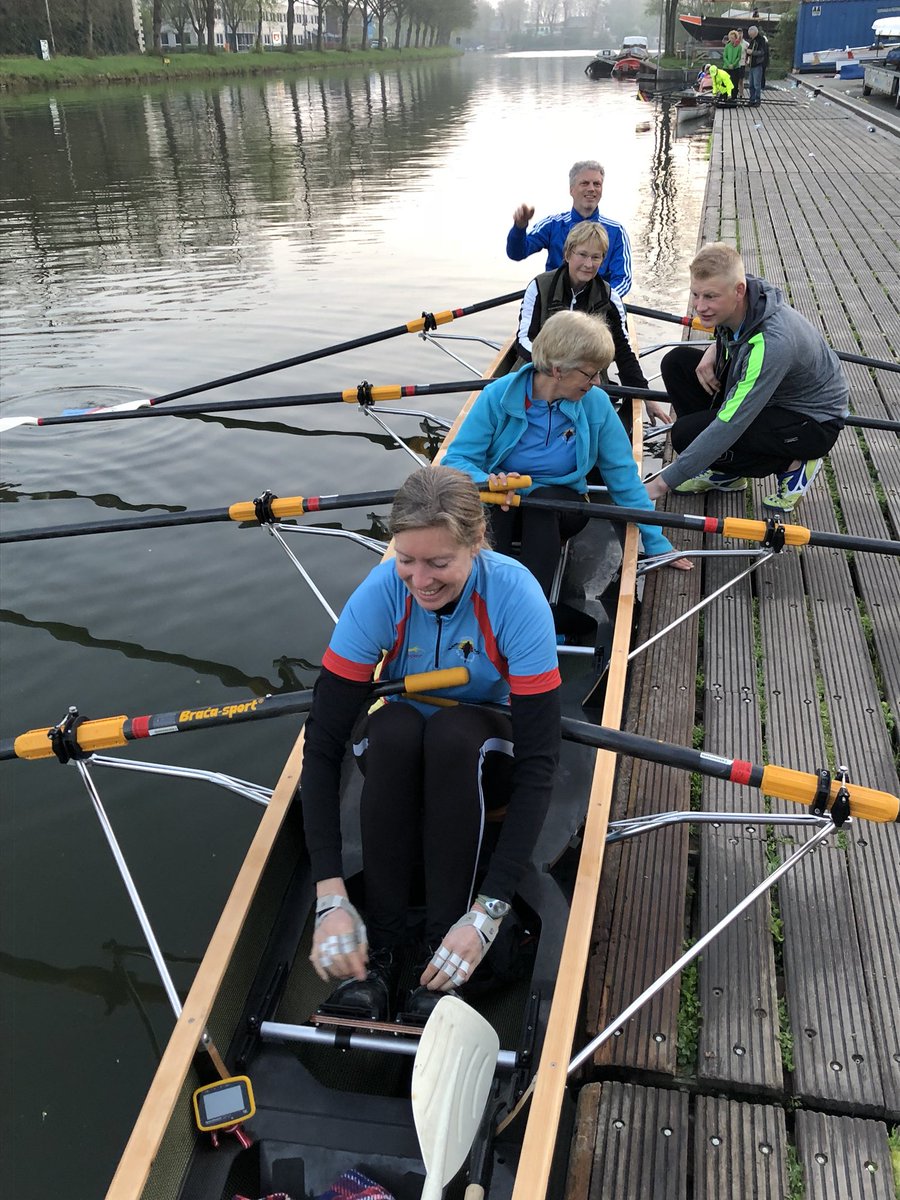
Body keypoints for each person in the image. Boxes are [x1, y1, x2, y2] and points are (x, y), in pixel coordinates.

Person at [301, 465, 562, 1023]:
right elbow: (321, 746)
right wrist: (329, 893)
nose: (420, 581)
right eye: (406, 560)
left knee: (453, 734)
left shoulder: (516, 597)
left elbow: (541, 762)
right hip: (402, 748)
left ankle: (450, 941)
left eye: (439, 563)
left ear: (477, 543)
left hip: (486, 753)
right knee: (391, 728)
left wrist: (491, 910)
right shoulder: (378, 596)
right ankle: (386, 946)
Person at [443, 311, 691, 620]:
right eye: (590, 374)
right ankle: (491, 607)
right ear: (558, 370)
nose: (597, 382)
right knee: (495, 510)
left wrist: (655, 541)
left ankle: (528, 614)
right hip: (505, 499)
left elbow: (624, 480)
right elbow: (455, 461)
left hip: (563, 506)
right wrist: (489, 479)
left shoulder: (596, 404)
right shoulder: (498, 396)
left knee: (541, 503)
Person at [645, 243, 848, 512]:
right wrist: (715, 346)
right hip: (773, 396)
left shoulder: (773, 343)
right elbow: (737, 334)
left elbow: (732, 422)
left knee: (685, 436)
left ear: (738, 291)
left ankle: (795, 465)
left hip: (811, 422)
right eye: (696, 294)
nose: (700, 307)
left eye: (710, 297)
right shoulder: (744, 298)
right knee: (677, 363)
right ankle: (726, 472)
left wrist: (660, 484)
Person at [513, 220, 671, 428]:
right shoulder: (539, 287)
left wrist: (647, 397)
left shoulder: (609, 297)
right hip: (542, 372)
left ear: (603, 260)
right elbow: (524, 339)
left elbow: (622, 352)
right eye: (582, 255)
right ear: (568, 254)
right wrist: (555, 368)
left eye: (596, 257)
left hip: (587, 382)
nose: (589, 264)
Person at [506, 160, 634, 296]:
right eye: (584, 183)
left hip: (597, 308)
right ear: (571, 190)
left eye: (597, 184)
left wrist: (600, 301)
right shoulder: (553, 224)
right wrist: (519, 228)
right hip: (556, 303)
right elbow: (516, 253)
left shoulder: (616, 231)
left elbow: (623, 279)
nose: (591, 189)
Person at [746, 25, 769, 107]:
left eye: (751, 34)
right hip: (751, 64)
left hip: (758, 64)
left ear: (755, 32)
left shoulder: (761, 40)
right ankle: (751, 99)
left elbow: (762, 52)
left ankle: (757, 100)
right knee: (751, 84)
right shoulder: (752, 41)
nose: (750, 36)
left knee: (756, 84)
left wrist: (752, 52)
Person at [722, 29, 745, 98]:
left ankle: (734, 97)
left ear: (736, 38)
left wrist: (733, 64)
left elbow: (738, 57)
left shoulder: (739, 47)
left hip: (735, 67)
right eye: (730, 38)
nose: (731, 39)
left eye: (733, 38)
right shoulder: (727, 46)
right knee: (725, 83)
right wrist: (728, 64)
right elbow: (724, 56)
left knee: (734, 83)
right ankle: (724, 96)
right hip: (726, 67)